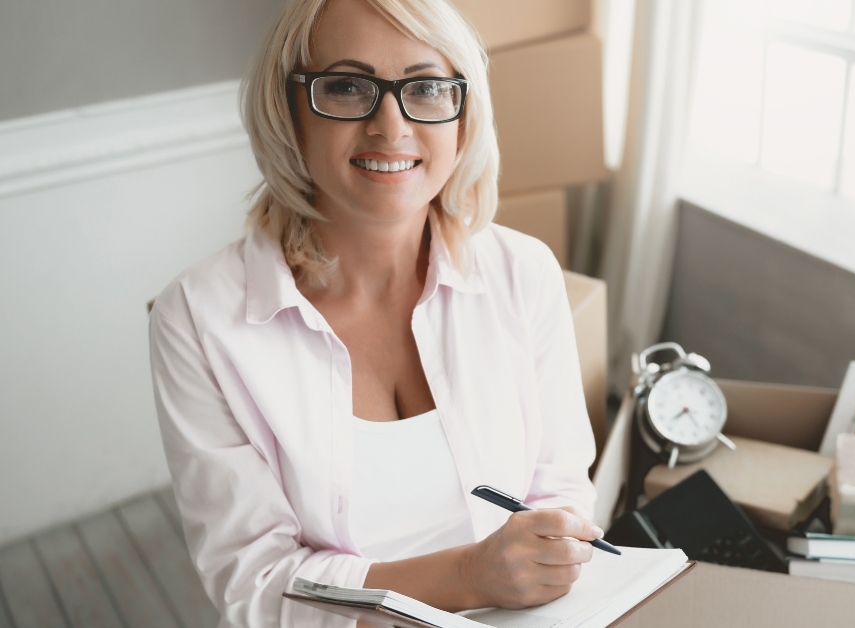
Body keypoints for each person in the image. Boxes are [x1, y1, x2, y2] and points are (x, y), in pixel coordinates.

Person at [148, 0, 601, 625]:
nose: (391, 127)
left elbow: (560, 492)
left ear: (462, 113)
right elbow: (254, 584)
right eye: (346, 86)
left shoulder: (525, 274)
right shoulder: (197, 319)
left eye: (427, 87)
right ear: (288, 110)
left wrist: (553, 550)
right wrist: (471, 577)